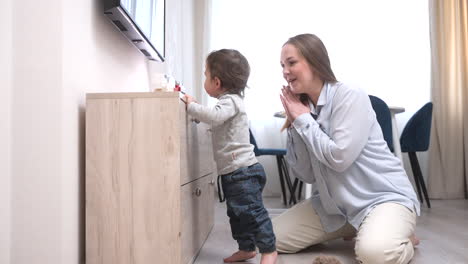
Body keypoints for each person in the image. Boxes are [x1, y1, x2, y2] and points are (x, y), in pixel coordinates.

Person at [275, 33, 421, 264]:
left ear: (315, 61)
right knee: (268, 237)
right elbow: (306, 175)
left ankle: (402, 238)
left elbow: (339, 158)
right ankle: (361, 229)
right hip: (336, 208)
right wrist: (296, 124)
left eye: (291, 63)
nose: (285, 71)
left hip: (382, 199)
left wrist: (303, 120)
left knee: (375, 255)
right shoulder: (303, 110)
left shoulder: (348, 95)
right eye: (282, 65)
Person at [183, 49, 278, 264]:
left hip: (243, 172)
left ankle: (269, 249)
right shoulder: (228, 102)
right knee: (237, 215)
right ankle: (246, 248)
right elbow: (216, 121)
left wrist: (191, 106)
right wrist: (198, 114)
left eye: (205, 75)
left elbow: (215, 117)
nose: (204, 79)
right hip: (233, 172)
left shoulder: (230, 101)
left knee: (252, 213)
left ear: (216, 82)